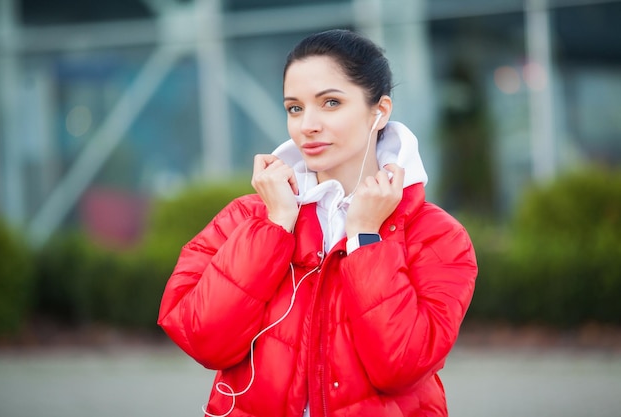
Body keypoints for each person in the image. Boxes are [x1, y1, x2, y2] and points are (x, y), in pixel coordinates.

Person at [158, 29, 477, 417]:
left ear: (380, 111)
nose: (307, 124)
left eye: (330, 102)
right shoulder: (247, 217)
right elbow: (203, 339)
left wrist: (366, 238)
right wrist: (274, 226)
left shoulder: (437, 236)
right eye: (295, 108)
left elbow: (402, 366)